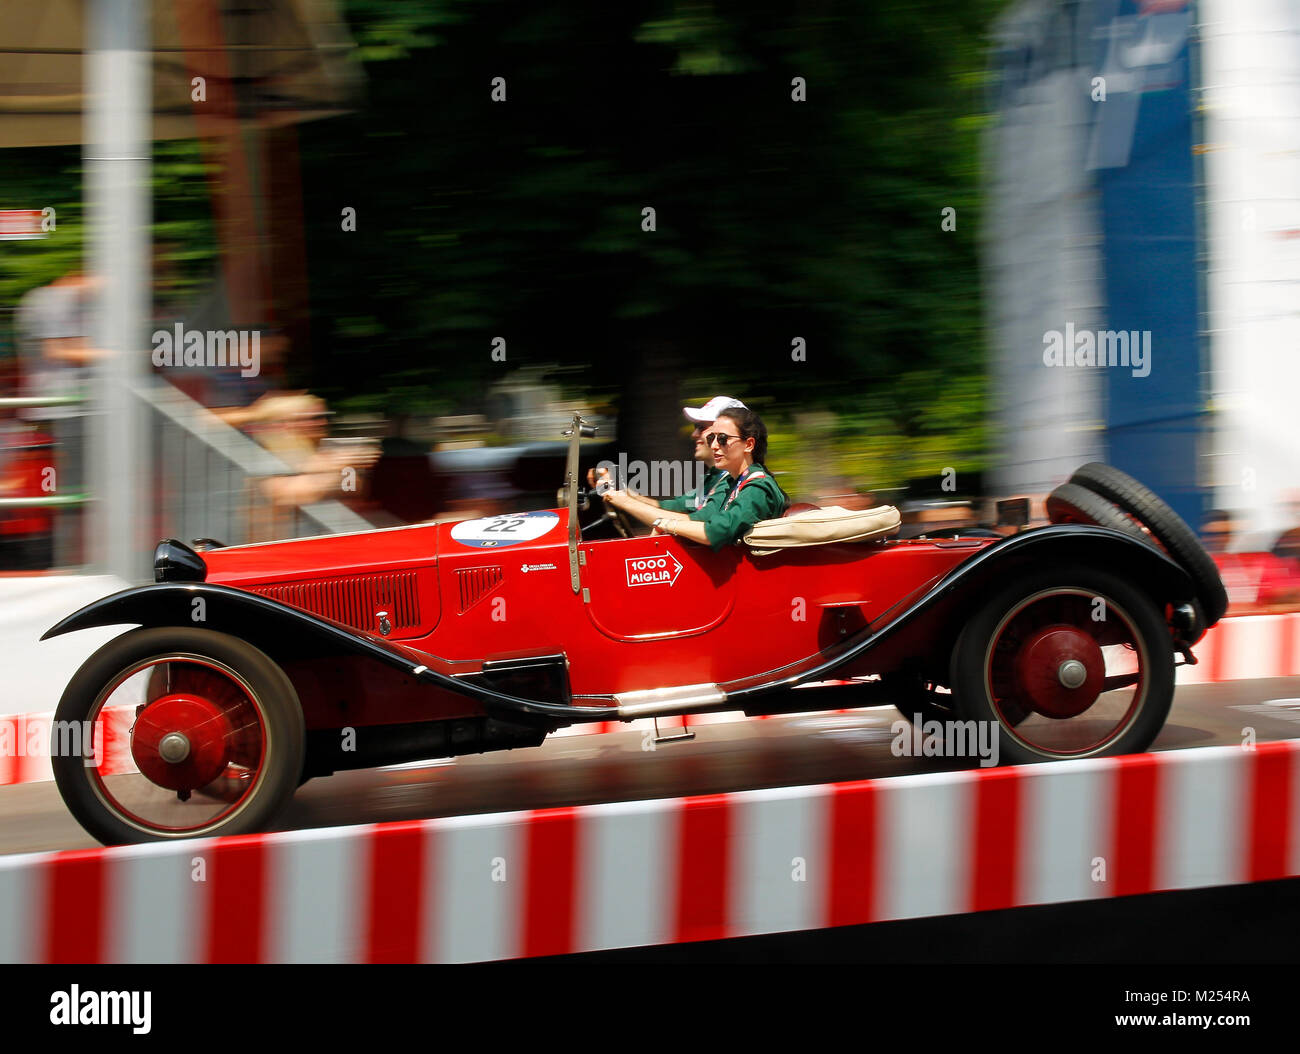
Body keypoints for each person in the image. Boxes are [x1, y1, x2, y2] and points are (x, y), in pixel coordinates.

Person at [604, 406, 786, 550]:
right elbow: (677, 509)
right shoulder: (734, 482)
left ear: (748, 444)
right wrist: (622, 494)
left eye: (722, 439)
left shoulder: (757, 488)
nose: (714, 445)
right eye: (712, 438)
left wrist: (666, 524)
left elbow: (712, 530)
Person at [589, 395, 745, 511]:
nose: (694, 435)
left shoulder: (735, 481)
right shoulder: (712, 478)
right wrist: (621, 491)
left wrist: (622, 500)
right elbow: (671, 508)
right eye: (694, 427)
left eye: (701, 427)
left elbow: (699, 524)